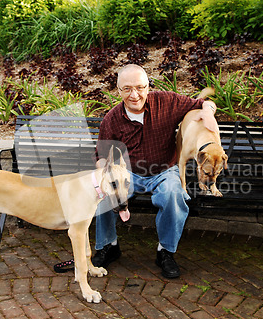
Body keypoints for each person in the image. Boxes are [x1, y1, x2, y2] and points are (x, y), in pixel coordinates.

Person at [92, 64, 217, 278]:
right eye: (127, 89)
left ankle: (165, 252)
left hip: (164, 170)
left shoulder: (167, 102)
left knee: (173, 194)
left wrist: (208, 113)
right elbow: (101, 155)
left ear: (148, 86)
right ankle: (108, 245)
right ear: (118, 89)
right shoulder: (111, 119)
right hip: (130, 172)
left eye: (140, 87)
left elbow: (205, 103)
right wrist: (103, 178)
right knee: (104, 195)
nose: (134, 94)